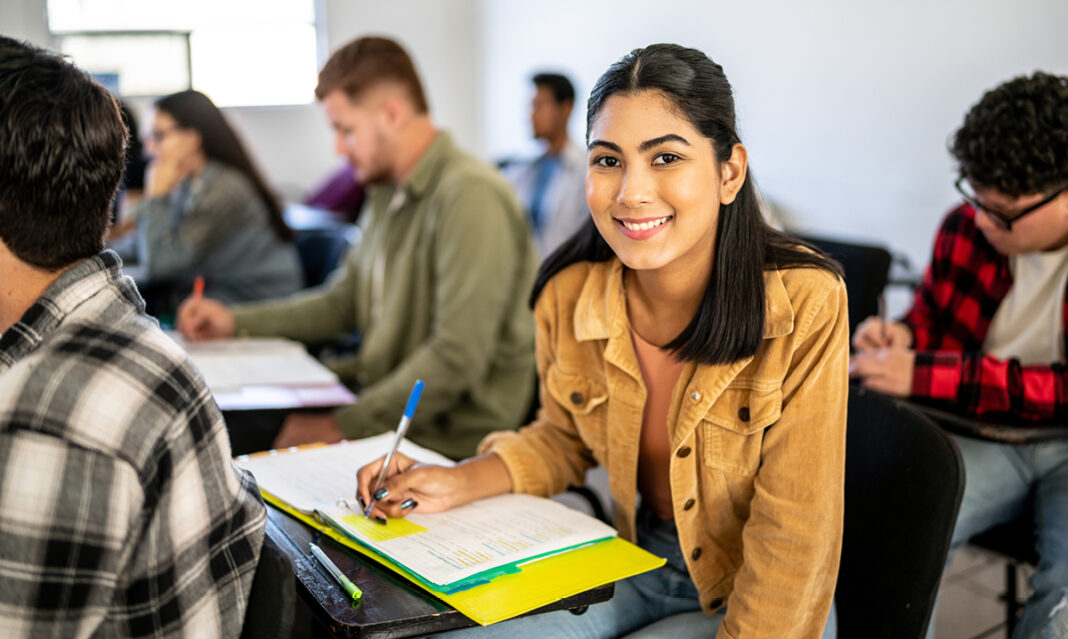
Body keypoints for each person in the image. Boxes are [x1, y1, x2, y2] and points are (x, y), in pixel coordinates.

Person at [356, 43, 849, 638]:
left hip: (759, 582)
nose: (630, 192)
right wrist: (458, 479)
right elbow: (564, 437)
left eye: (665, 157)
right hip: (636, 556)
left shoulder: (806, 302)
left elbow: (796, 530)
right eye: (608, 160)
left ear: (729, 172)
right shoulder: (568, 293)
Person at [0, 37, 266, 637]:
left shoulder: (219, 187)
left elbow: (167, 261)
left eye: (164, 136)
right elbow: (139, 250)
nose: (154, 148)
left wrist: (158, 194)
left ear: (194, 137)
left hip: (242, 318)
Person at [177, 36, 538, 460]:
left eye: (345, 130)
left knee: (235, 445)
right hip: (381, 406)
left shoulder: (470, 196)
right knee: (218, 419)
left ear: (391, 113)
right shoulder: (387, 191)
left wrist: (340, 426)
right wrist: (233, 321)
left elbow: (456, 358)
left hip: (447, 441)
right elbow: (341, 303)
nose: (337, 148)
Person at [851, 71, 1068, 638]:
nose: (982, 220)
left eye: (1004, 211)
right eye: (976, 198)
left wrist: (923, 375)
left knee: (1061, 609)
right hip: (983, 433)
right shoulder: (966, 229)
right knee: (893, 542)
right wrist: (904, 337)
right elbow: (934, 320)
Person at [114, 89, 302, 312]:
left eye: (158, 137)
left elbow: (160, 266)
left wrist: (156, 199)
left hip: (259, 305)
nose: (148, 151)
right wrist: (99, 253)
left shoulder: (223, 187)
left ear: (193, 137)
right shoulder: (189, 183)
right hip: (223, 297)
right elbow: (145, 246)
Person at [501, 72, 589, 258]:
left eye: (539, 106)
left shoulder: (585, 169)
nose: (531, 116)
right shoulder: (523, 170)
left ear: (566, 108)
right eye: (531, 107)